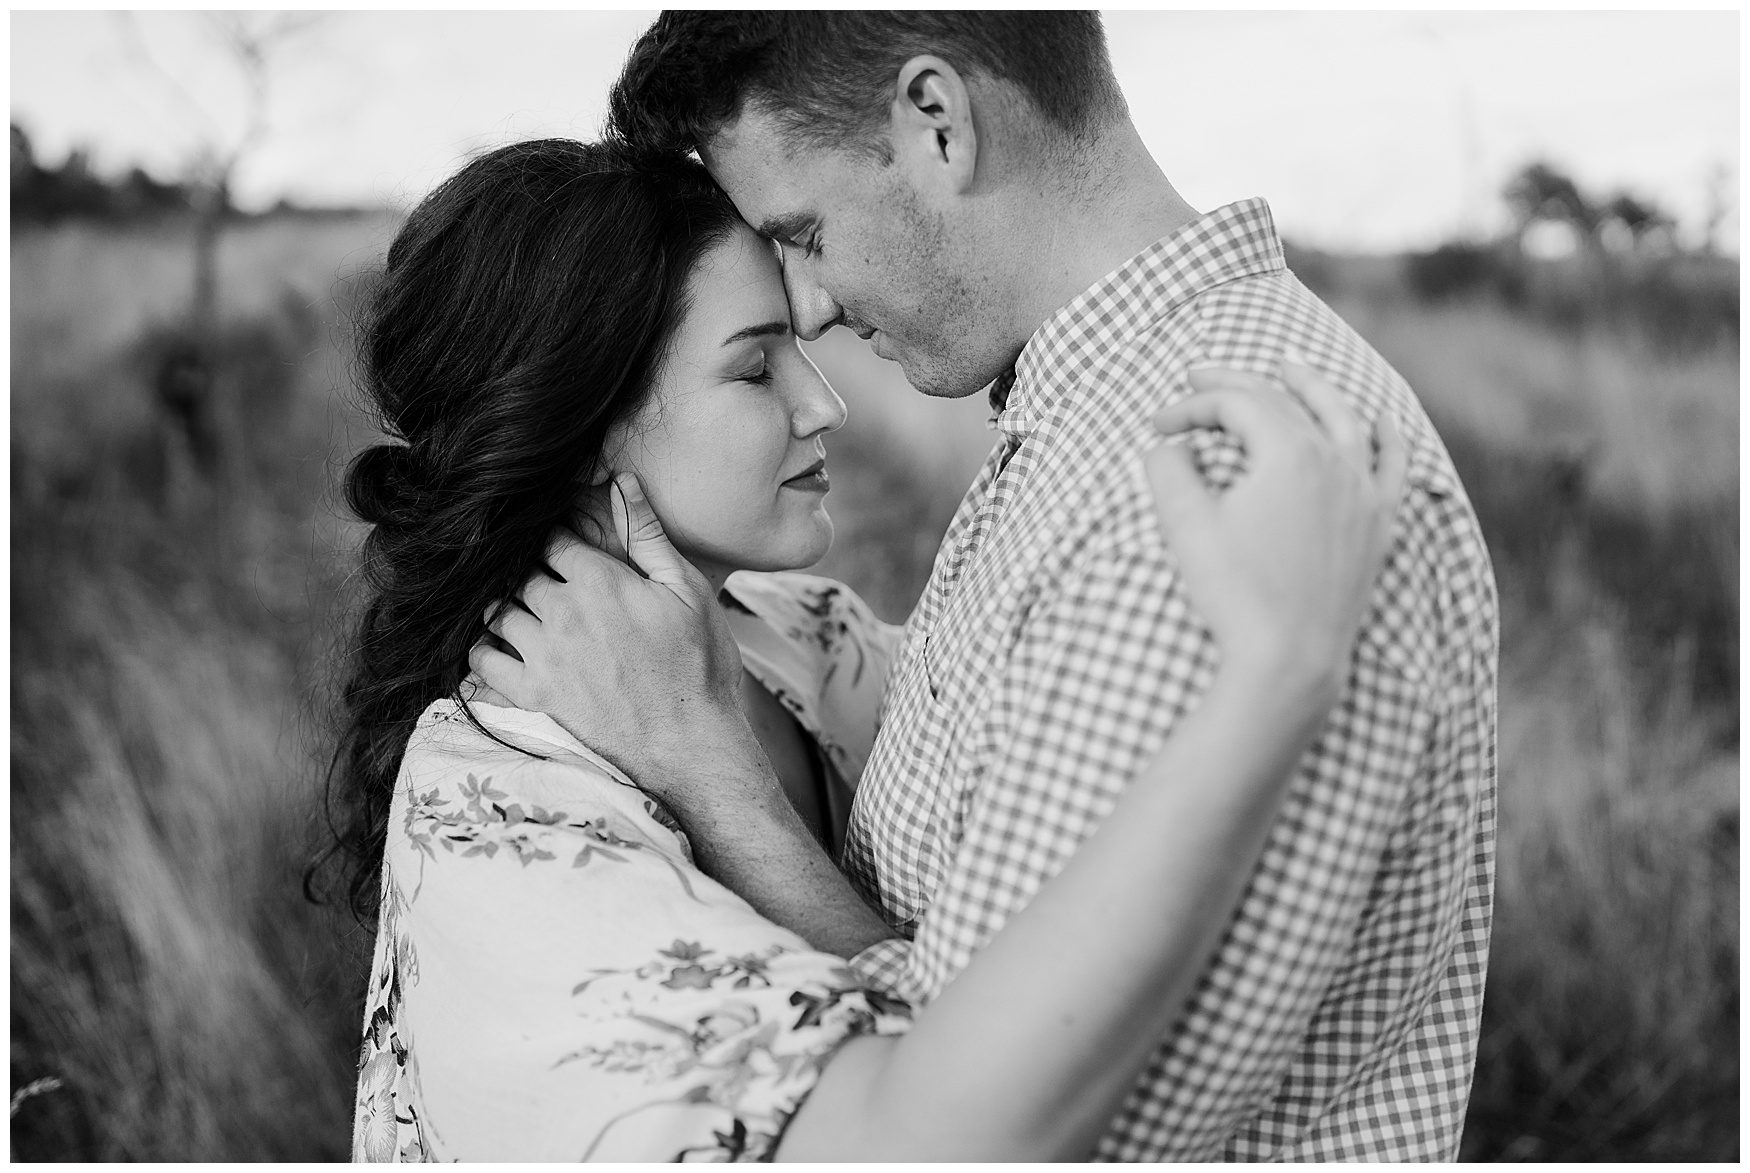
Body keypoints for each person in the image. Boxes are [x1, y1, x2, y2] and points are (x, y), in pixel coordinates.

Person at [475, 11, 1500, 1163]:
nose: (808, 306)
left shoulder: (1197, 477)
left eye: (804, 234)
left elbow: (998, 1125)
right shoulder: (1099, 419)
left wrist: (712, 781)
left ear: (936, 122)